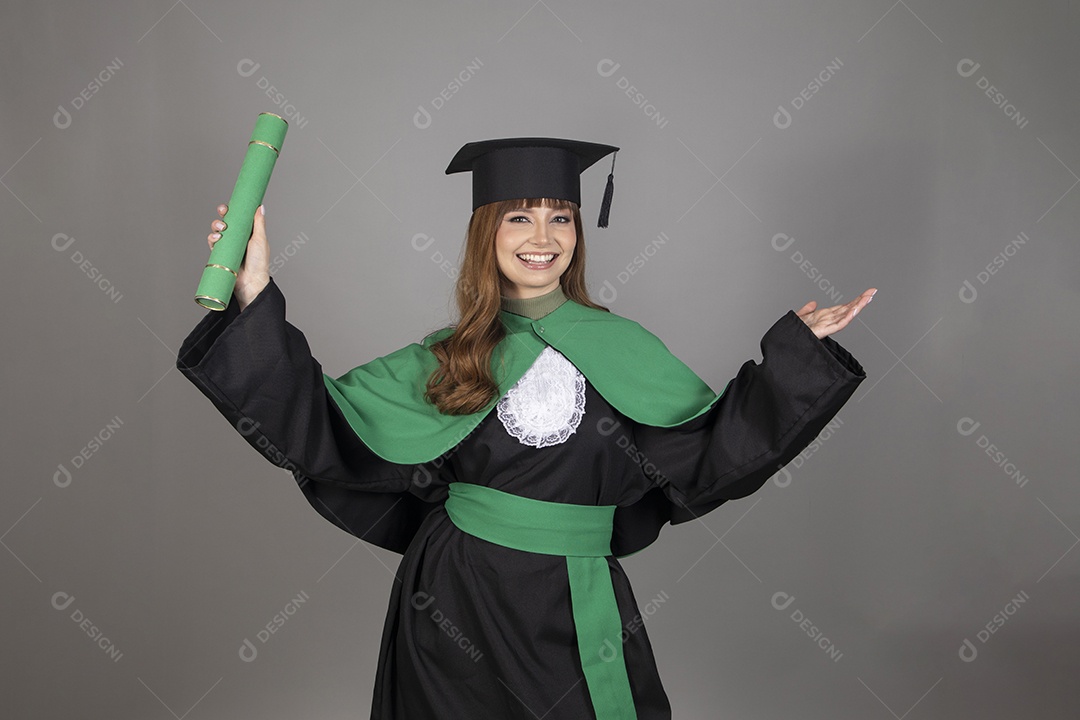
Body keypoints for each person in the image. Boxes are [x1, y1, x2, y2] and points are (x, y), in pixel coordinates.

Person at [177, 137, 875, 719]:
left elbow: (714, 453)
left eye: (560, 218)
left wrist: (794, 362)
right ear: (486, 232)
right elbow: (321, 420)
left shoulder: (623, 347)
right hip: (457, 597)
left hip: (578, 597)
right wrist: (254, 291)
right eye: (519, 218)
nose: (543, 239)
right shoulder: (448, 357)